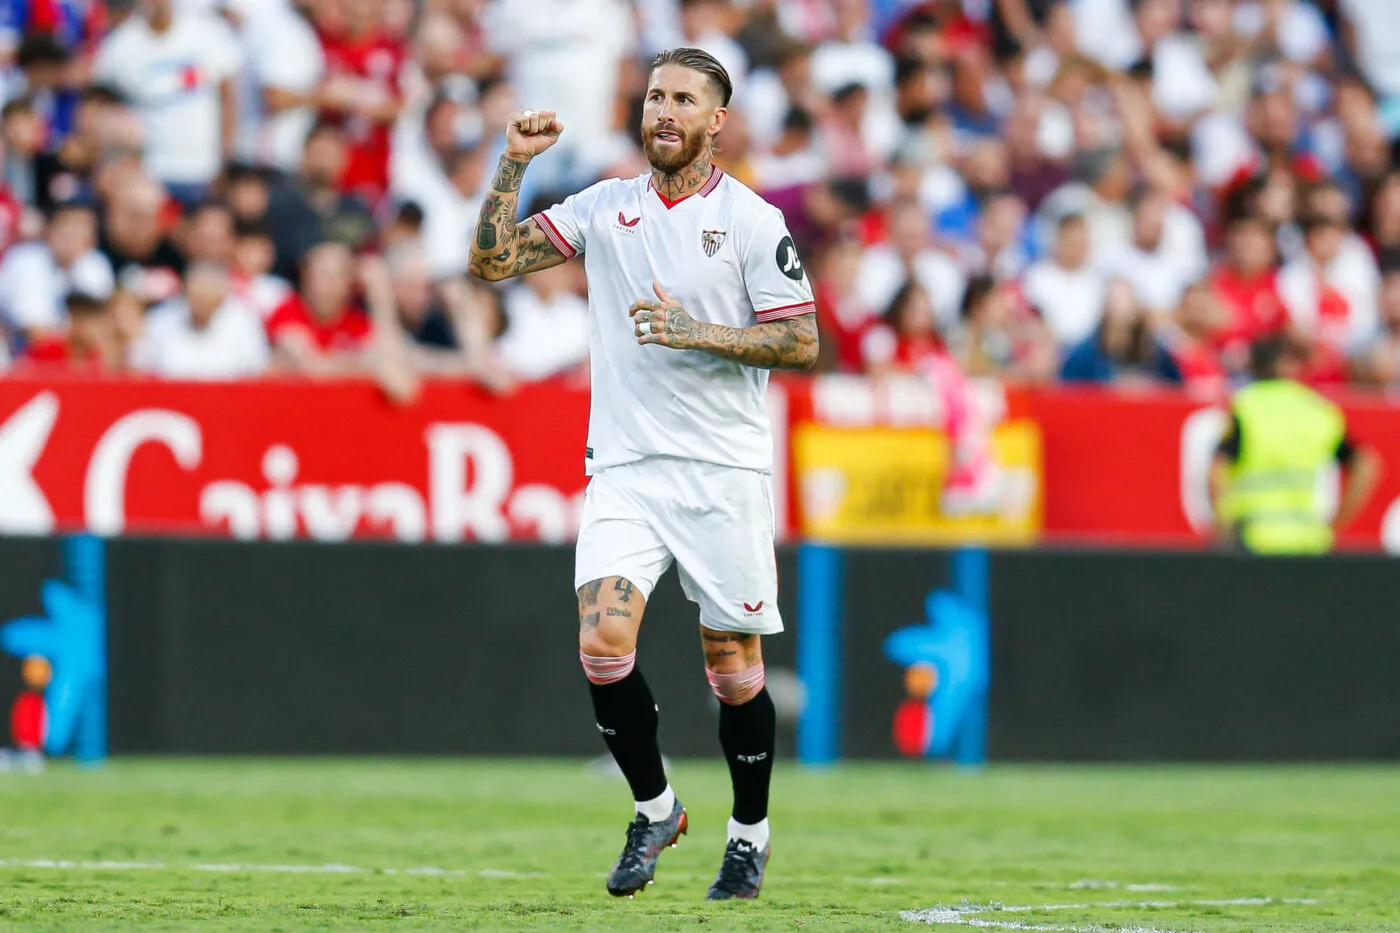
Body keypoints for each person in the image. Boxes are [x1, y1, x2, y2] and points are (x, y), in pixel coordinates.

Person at [467, 48, 818, 901]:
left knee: (732, 667)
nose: (664, 110)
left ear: (715, 121)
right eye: (656, 95)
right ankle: (656, 806)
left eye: (684, 99)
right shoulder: (604, 207)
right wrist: (511, 161)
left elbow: (801, 341)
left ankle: (749, 833)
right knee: (602, 640)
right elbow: (492, 262)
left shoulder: (751, 220)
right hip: (625, 465)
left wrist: (693, 330)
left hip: (723, 470)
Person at [1209, 335, 1381, 554]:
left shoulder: (1246, 405)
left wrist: (1222, 526)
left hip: (1252, 535)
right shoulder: (1319, 410)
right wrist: (1335, 525)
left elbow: (1217, 471)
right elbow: (1365, 466)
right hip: (1308, 539)